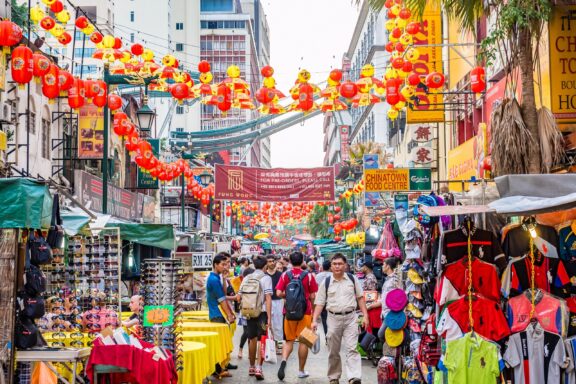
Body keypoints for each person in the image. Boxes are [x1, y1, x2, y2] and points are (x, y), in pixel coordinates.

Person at [312, 253, 370, 384]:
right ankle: (334, 377)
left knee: (352, 349)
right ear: (331, 266)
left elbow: (360, 298)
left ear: (345, 266)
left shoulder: (352, 279)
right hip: (333, 319)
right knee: (333, 351)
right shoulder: (326, 283)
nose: (337, 266)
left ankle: (354, 377)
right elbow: (319, 303)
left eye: (340, 264)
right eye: (334, 264)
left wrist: (365, 316)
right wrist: (314, 320)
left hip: (351, 318)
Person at [275, 251, 319, 380]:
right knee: (304, 342)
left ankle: (283, 360)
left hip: (288, 313)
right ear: (303, 261)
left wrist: (288, 296)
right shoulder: (309, 276)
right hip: (305, 313)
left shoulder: (285, 275)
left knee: (288, 341)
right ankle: (301, 371)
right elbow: (312, 296)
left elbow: (278, 293)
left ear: (289, 261)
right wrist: (314, 313)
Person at [238, 256, 273, 380]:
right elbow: (268, 298)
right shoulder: (266, 278)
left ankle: (251, 367)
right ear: (265, 266)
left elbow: (239, 296)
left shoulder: (247, 277)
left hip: (249, 313)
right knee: (262, 339)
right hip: (261, 313)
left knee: (251, 339)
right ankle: (259, 367)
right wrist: (269, 317)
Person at [206, 253, 236, 378]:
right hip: (217, 314)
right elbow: (222, 300)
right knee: (218, 343)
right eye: (223, 264)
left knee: (221, 342)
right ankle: (217, 370)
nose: (225, 267)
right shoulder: (213, 279)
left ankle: (221, 367)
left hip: (217, 313)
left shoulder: (216, 277)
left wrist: (224, 279)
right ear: (215, 265)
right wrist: (229, 314)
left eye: (227, 264)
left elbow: (223, 294)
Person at [266, 255, 284, 354]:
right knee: (269, 324)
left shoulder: (280, 274)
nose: (272, 263)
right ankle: (270, 345)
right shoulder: (264, 275)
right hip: (267, 301)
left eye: (273, 261)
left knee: (278, 323)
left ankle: (277, 345)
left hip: (278, 301)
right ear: (266, 263)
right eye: (269, 261)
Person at [360, 261, 382, 335]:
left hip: (370, 306)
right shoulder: (368, 277)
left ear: (366, 268)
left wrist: (366, 306)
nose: (361, 268)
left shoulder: (370, 278)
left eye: (362, 267)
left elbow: (372, 294)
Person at [237, 267, 254, 359]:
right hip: (245, 310)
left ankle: (250, 352)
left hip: (254, 310)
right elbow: (238, 298)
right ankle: (240, 349)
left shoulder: (257, 284)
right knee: (246, 332)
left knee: (252, 333)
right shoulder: (242, 285)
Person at [315, 260, 332, 337]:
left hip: (321, 301)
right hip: (332, 300)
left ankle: (327, 336)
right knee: (333, 319)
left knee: (324, 319)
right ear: (330, 267)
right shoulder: (333, 275)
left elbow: (315, 289)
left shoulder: (318, 276)